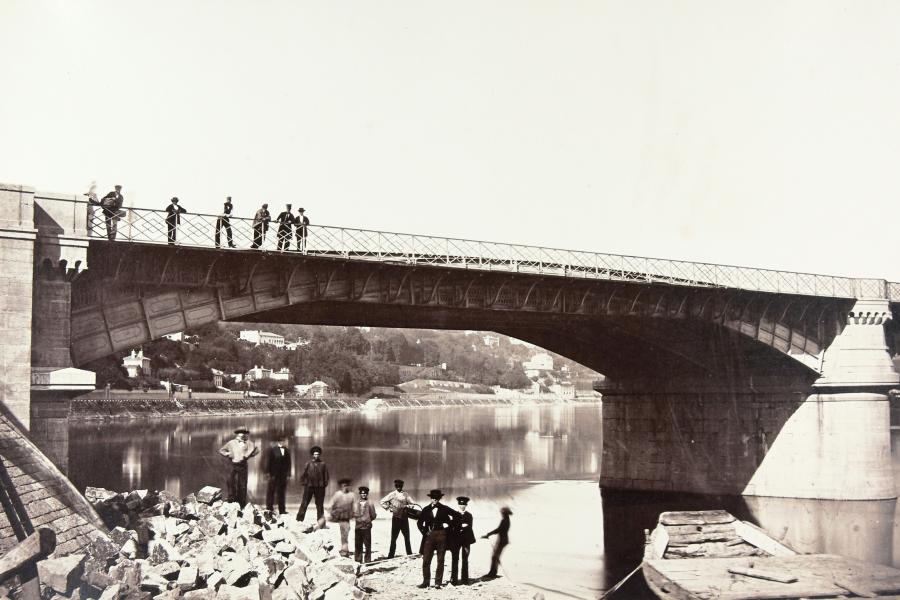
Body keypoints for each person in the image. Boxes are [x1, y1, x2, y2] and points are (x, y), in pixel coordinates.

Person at [416, 489, 459, 589]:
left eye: (436, 498)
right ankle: (425, 582)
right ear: (430, 498)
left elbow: (457, 516)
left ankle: (438, 583)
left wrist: (448, 525)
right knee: (426, 560)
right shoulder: (426, 509)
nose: (434, 500)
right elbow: (419, 523)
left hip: (442, 536)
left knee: (440, 560)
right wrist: (425, 532)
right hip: (429, 536)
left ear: (439, 499)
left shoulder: (444, 508)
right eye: (433, 498)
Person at [217, 427, 259, 506]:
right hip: (232, 464)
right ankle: (231, 499)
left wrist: (249, 456)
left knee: (242, 484)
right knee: (230, 482)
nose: (241, 435)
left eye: (243, 433)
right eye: (240, 433)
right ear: (237, 434)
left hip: (243, 465)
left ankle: (242, 502)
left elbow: (256, 450)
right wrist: (228, 454)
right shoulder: (231, 443)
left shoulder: (249, 443)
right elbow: (222, 450)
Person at [380, 479, 415, 557]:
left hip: (405, 518)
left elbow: (413, 503)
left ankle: (409, 553)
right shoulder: (392, 494)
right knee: (394, 537)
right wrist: (389, 508)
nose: (399, 487)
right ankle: (391, 555)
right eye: (397, 486)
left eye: (400, 486)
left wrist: (408, 506)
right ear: (395, 486)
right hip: (396, 518)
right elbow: (382, 502)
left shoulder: (406, 494)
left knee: (407, 537)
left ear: (402, 486)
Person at [296, 445, 329, 525]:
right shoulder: (308, 464)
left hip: (320, 487)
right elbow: (303, 475)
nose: (316, 456)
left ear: (319, 455)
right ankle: (299, 520)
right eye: (315, 454)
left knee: (320, 505)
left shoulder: (323, 464)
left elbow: (326, 476)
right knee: (304, 503)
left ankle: (321, 522)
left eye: (318, 454)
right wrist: (305, 483)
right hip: (309, 487)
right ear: (312, 455)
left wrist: (324, 484)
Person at [449, 496, 476, 585]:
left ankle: (464, 579)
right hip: (456, 540)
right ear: (458, 505)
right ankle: (454, 580)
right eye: (460, 504)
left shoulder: (469, 515)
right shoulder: (455, 514)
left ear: (466, 505)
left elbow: (470, 527)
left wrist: (460, 527)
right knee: (455, 559)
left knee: (465, 559)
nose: (462, 506)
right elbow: (453, 526)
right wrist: (462, 526)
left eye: (463, 504)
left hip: (466, 540)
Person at [264, 434, 292, 515]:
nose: (283, 442)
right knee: (271, 492)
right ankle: (269, 509)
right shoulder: (273, 450)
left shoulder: (286, 450)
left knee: (281, 492)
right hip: (274, 475)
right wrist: (268, 473)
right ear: (278, 442)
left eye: (284, 441)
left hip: (283, 475)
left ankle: (282, 510)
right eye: (281, 441)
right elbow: (269, 462)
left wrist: (288, 474)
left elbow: (289, 463)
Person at [482, 506, 512, 579]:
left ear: (505, 513)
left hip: (502, 541)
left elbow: (499, 529)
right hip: (503, 540)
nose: (501, 514)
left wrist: (488, 534)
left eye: (502, 512)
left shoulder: (505, 520)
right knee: (495, 557)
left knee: (495, 557)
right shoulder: (506, 519)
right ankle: (493, 572)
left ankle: (493, 573)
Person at [330, 478, 356, 558]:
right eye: (344, 485)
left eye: (347, 485)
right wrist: (332, 513)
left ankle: (344, 549)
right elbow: (331, 504)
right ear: (341, 486)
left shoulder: (352, 495)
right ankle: (344, 549)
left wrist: (356, 515)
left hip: (347, 517)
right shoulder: (337, 494)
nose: (346, 487)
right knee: (344, 533)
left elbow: (355, 506)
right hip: (340, 517)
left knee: (347, 531)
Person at [353, 486, 377, 564]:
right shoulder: (356, 503)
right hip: (358, 527)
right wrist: (359, 520)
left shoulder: (370, 503)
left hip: (366, 527)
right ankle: (358, 560)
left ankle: (367, 561)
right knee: (358, 545)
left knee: (367, 545)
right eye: (362, 493)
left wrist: (368, 520)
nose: (363, 495)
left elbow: (373, 515)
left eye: (365, 493)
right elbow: (353, 514)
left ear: (367, 494)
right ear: (360, 494)